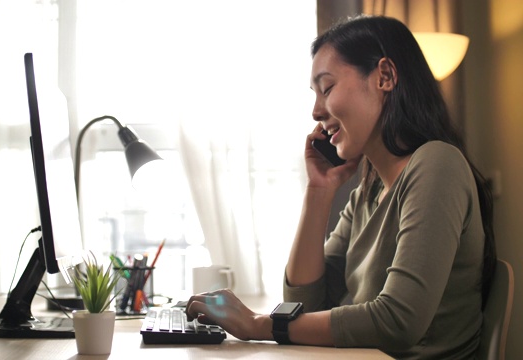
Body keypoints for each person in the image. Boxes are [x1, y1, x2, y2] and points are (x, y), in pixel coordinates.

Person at [185, 15, 496, 359]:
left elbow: (398, 321)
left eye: (327, 88)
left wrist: (258, 323)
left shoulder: (437, 164)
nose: (317, 111)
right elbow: (302, 304)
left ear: (385, 76)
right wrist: (319, 192)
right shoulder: (367, 194)